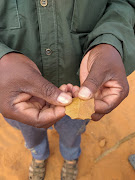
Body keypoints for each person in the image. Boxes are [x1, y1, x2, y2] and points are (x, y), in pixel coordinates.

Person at [0, 0, 135, 179]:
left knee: (72, 134)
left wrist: (111, 41)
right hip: (18, 97)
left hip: (81, 95)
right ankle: (39, 157)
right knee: (31, 135)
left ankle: (70, 158)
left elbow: (125, 3)